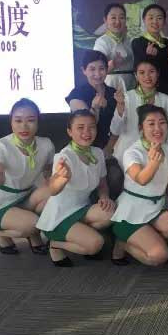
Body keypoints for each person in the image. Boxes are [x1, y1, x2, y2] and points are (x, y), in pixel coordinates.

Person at [36, 110, 116, 267]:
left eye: (91, 127)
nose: (87, 132)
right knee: (96, 245)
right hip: (60, 216)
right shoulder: (63, 157)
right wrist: (61, 179)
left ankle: (79, 235)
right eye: (80, 127)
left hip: (82, 209)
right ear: (70, 131)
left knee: (110, 213)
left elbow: (102, 183)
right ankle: (55, 244)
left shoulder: (97, 153)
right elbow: (53, 190)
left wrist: (104, 197)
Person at [110, 105, 168, 266]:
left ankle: (147, 236)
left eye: (162, 123)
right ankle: (121, 243)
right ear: (141, 128)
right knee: (159, 256)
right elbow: (141, 179)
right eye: (151, 124)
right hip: (131, 212)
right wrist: (153, 163)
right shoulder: (132, 152)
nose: (157, 128)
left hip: (157, 206)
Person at [0, 99, 54, 255]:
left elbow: (49, 174)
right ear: (11, 122)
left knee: (53, 194)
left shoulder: (46, 144)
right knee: (34, 224)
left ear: (38, 122)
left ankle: (32, 234)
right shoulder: (0, 146)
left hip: (26, 196)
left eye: (30, 120)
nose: (24, 126)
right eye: (18, 121)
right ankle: (1, 234)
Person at [65, 50, 122, 198]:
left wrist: (108, 148)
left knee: (115, 176)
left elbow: (119, 123)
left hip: (108, 147)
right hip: (83, 149)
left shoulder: (113, 93)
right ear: (84, 70)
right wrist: (95, 108)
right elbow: (85, 127)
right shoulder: (77, 94)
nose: (97, 73)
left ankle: (108, 206)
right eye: (92, 69)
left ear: (107, 69)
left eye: (101, 68)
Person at [110, 58, 168, 170]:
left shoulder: (166, 100)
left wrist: (167, 153)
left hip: (156, 154)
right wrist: (120, 105)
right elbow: (115, 130)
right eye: (142, 72)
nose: (147, 76)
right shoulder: (126, 97)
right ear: (135, 76)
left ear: (158, 73)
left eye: (151, 72)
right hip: (126, 154)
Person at [131, 3, 168, 97]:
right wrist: (148, 56)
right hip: (146, 90)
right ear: (144, 20)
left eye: (159, 18)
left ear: (164, 21)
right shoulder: (138, 42)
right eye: (151, 18)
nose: (155, 22)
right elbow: (138, 69)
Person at [93, 3, 135, 91]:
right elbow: (96, 71)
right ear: (105, 20)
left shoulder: (130, 40)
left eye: (121, 18)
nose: (118, 22)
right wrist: (113, 64)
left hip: (131, 85)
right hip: (111, 84)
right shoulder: (102, 42)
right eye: (113, 18)